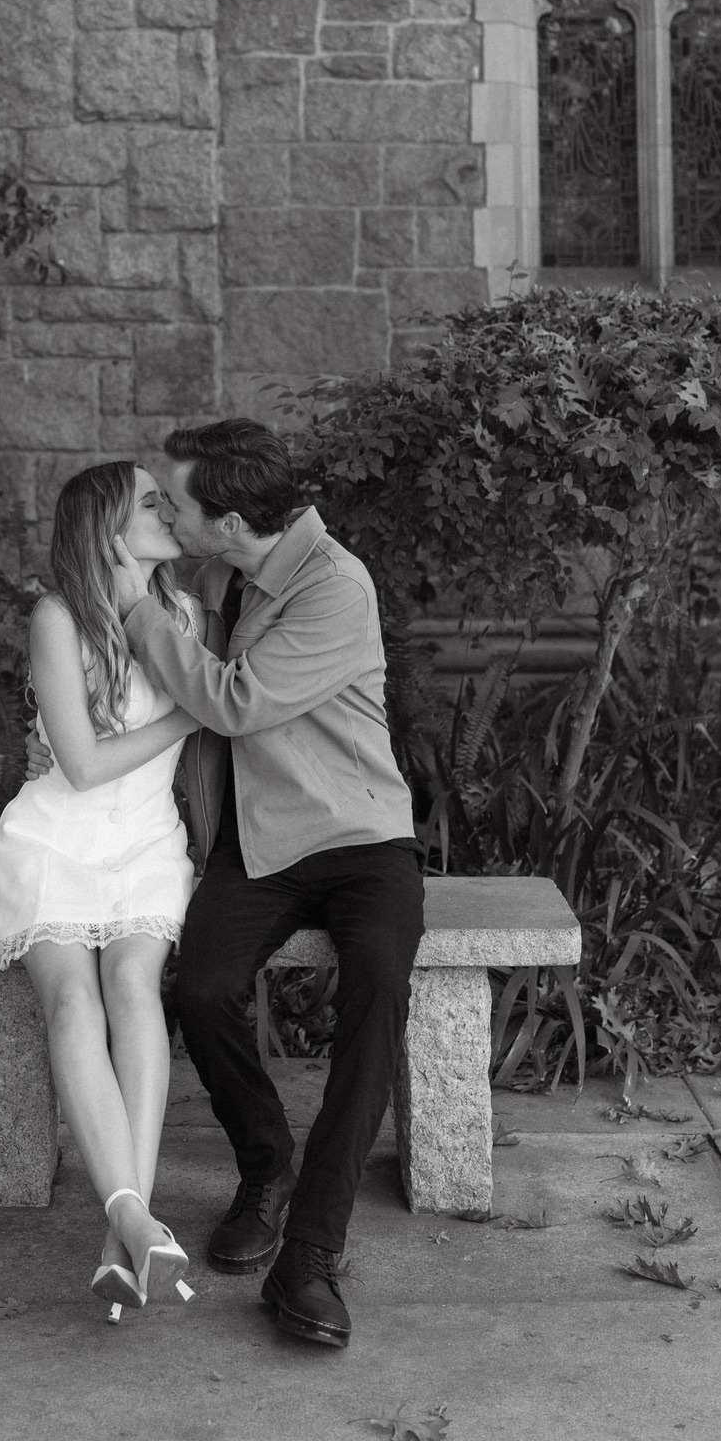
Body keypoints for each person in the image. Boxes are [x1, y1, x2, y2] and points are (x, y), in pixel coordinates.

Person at [110, 418, 423, 1353]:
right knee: (200, 988)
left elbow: (234, 701)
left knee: (374, 992)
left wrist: (135, 620)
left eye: (177, 499)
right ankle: (265, 1166)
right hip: (260, 841)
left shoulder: (335, 584)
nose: (165, 506)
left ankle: (312, 1255)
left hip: (364, 836)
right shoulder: (220, 570)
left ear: (231, 517)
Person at [0, 461, 201, 1315]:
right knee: (75, 1004)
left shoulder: (181, 613)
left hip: (147, 842)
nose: (169, 511)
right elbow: (78, 763)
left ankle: (127, 1230)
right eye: (150, 503)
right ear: (109, 532)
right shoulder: (58, 618)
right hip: (56, 841)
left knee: (135, 986)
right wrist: (188, 712)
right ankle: (135, 1221)